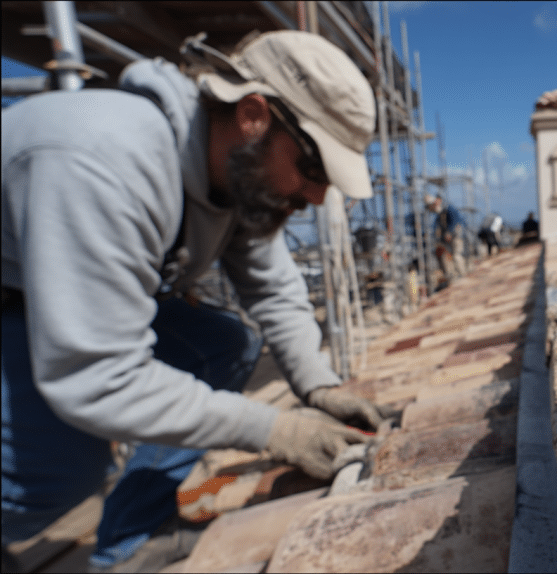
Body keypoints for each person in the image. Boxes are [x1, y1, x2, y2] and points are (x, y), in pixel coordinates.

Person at [2, 31, 393, 573]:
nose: (318, 195)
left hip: (42, 291)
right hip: (13, 298)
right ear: (255, 115)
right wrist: (273, 430)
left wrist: (317, 384)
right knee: (55, 473)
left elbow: (276, 289)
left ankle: (131, 541)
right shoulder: (105, 159)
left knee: (224, 346)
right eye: (312, 170)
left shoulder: (236, 170)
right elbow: (98, 376)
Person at [425, 195, 468, 283]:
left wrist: (449, 232)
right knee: (446, 257)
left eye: (431, 206)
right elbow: (438, 228)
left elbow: (456, 221)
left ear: (437, 201)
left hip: (456, 237)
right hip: (447, 239)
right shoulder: (439, 215)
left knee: (456, 256)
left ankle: (463, 276)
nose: (431, 209)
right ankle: (453, 278)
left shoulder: (449, 208)